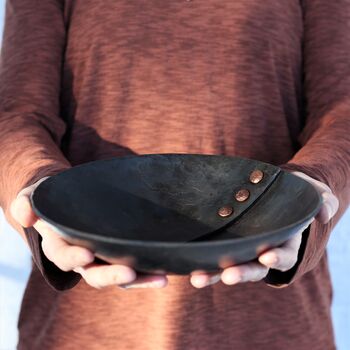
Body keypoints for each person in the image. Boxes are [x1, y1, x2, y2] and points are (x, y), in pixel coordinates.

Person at [0, 1, 348, 349]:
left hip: (270, 325)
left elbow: (341, 111)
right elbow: (17, 115)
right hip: (87, 327)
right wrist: (37, 185)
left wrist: (312, 183)